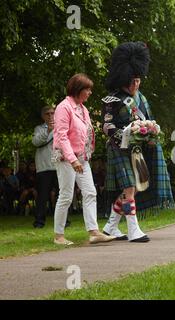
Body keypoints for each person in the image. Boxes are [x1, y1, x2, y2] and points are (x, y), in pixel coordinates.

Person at [101, 42, 175, 242]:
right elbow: (106, 127)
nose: (135, 85)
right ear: (123, 79)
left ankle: (110, 227)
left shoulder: (141, 98)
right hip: (119, 148)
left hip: (137, 149)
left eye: (137, 80)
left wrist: (149, 134)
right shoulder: (112, 100)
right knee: (129, 188)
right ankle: (133, 230)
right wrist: (126, 133)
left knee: (131, 188)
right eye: (131, 81)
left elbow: (148, 120)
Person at [52, 73, 115, 245]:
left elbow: (86, 133)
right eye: (87, 89)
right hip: (67, 158)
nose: (90, 93)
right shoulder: (64, 107)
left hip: (82, 158)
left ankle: (94, 232)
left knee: (90, 192)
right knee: (66, 195)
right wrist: (72, 159)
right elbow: (61, 136)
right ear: (77, 90)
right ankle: (59, 236)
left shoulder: (83, 108)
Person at [32, 106, 60, 227]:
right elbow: (36, 142)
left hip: (59, 165)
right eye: (47, 114)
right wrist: (48, 130)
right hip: (44, 167)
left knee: (61, 195)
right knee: (43, 196)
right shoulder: (39, 128)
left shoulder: (61, 126)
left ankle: (63, 221)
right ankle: (39, 221)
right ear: (43, 116)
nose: (50, 116)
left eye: (52, 113)